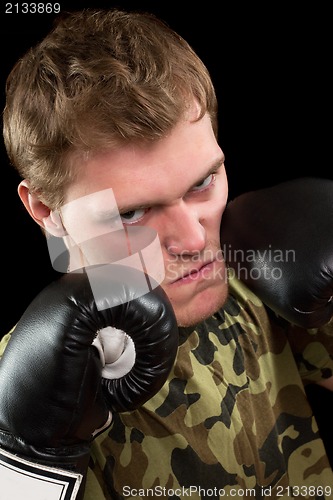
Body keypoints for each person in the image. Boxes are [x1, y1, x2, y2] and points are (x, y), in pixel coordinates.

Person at [1, 7, 333, 500]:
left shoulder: (258, 279)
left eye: (203, 182)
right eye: (131, 214)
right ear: (46, 210)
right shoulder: (21, 394)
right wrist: (28, 463)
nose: (194, 240)